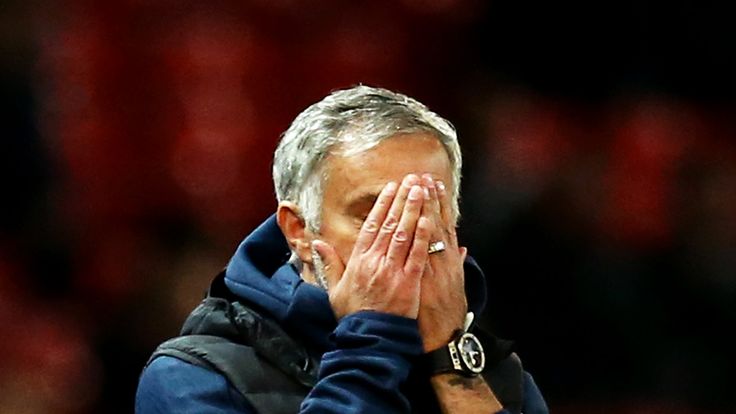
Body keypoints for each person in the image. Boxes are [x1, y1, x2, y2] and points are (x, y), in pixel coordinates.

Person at [135, 85, 549, 413]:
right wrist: (371, 341)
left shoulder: (498, 377)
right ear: (298, 229)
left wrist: (449, 360)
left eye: (426, 212)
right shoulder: (194, 379)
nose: (406, 237)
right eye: (375, 214)